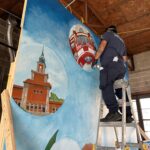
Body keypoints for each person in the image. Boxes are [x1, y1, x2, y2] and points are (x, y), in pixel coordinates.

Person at [94, 25, 133, 122]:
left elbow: (102, 46)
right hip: (120, 68)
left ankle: (113, 112)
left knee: (106, 85)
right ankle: (128, 115)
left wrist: (95, 59)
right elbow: (124, 58)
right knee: (119, 89)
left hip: (109, 66)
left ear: (108, 30)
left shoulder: (108, 34)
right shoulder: (122, 41)